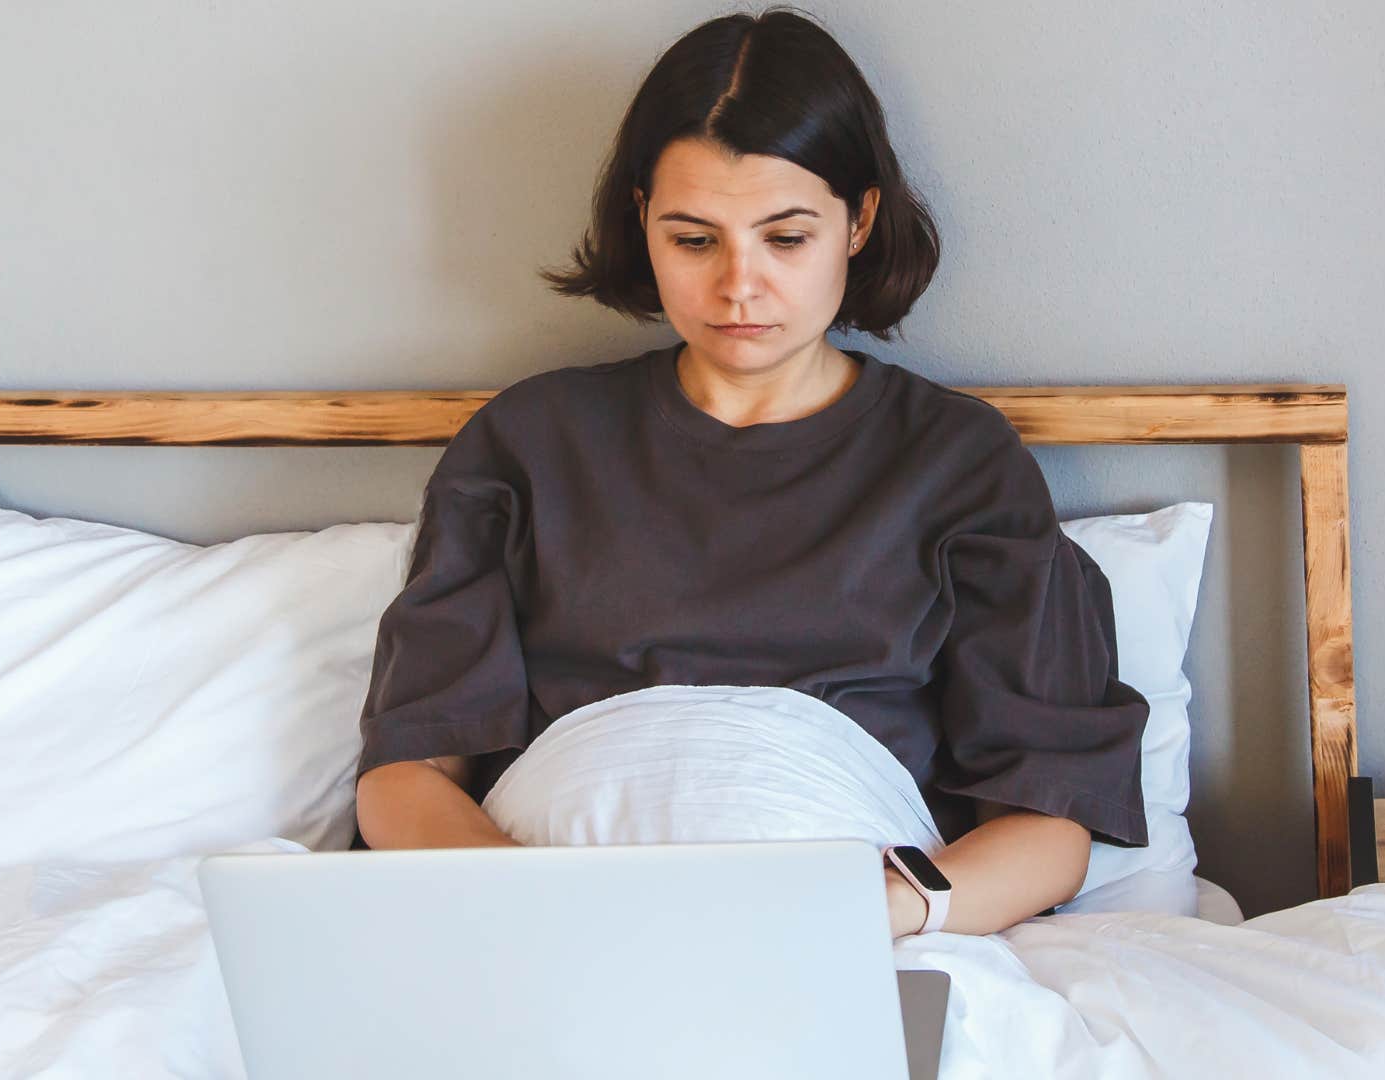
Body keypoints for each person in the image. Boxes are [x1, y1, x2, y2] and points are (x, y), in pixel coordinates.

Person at [353, 6, 1149, 938]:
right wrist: (542, 912)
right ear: (642, 220)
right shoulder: (529, 442)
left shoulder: (959, 462)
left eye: (787, 237)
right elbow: (406, 772)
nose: (738, 285)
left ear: (859, 221)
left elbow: (1049, 822)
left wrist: (863, 916)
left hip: (852, 922)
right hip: (545, 920)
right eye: (694, 240)